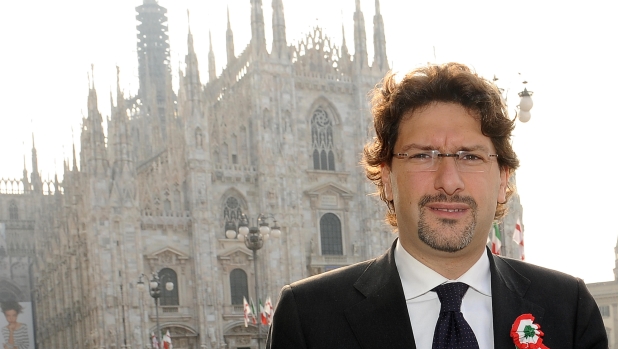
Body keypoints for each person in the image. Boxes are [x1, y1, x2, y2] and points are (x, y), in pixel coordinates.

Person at [266, 62, 607, 348]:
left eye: (470, 156)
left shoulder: (568, 308)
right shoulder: (308, 316)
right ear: (386, 178)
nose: (449, 180)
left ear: (504, 181)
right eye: (422, 155)